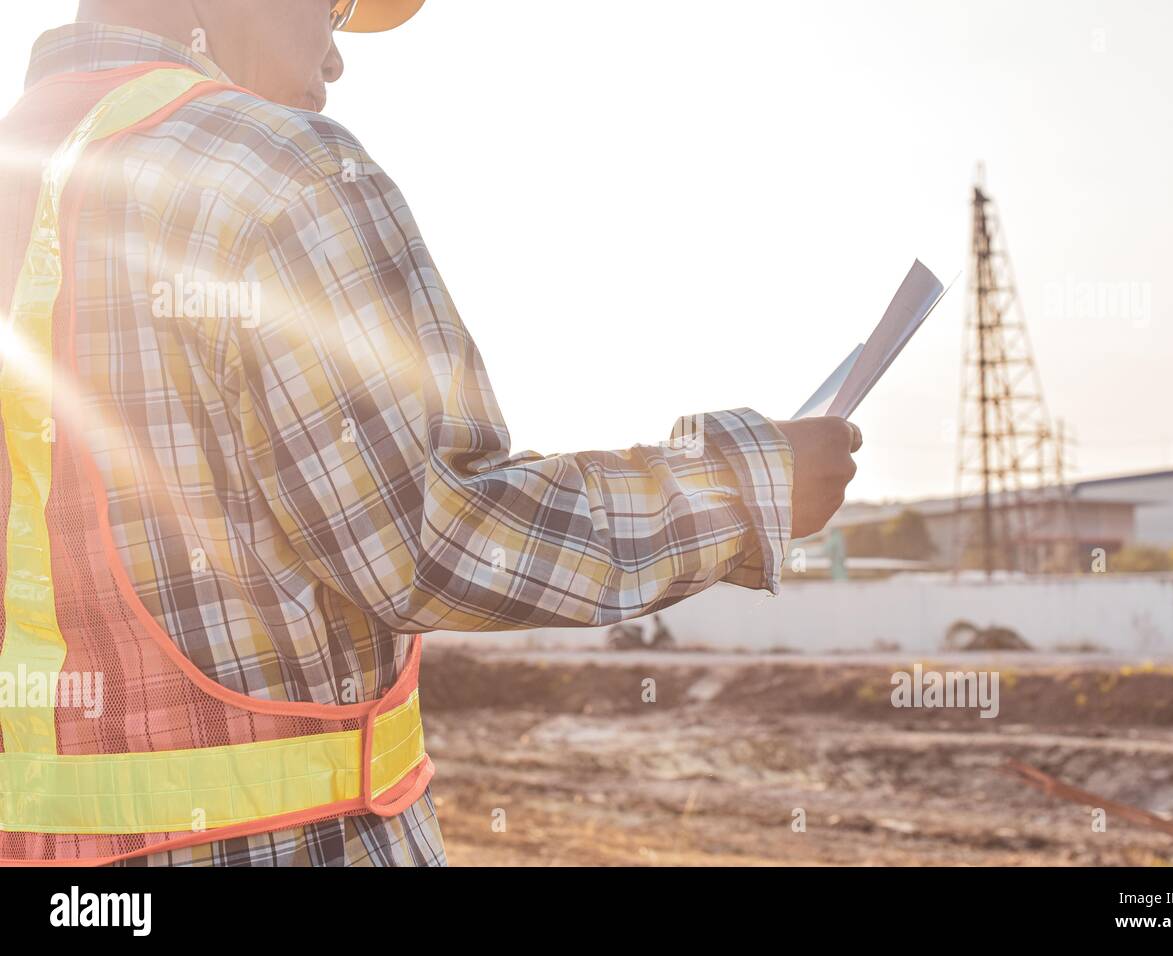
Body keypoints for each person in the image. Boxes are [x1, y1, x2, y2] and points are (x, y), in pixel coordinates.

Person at [0, 0, 859, 866]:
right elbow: (430, 538)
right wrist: (744, 490)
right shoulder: (275, 167)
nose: (334, 59)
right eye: (332, 6)